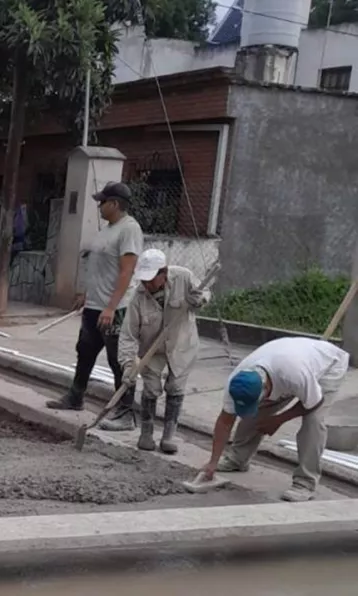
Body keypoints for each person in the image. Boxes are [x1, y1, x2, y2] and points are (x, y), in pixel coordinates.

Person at [200, 337, 349, 502]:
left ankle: (305, 482)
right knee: (254, 414)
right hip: (289, 365)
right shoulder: (236, 383)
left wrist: (278, 420)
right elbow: (225, 422)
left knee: (313, 422)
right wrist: (212, 462)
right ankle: (237, 459)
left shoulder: (293, 374)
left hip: (329, 367)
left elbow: (315, 403)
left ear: (265, 388)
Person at [47, 181, 144, 431]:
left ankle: (125, 413)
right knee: (85, 352)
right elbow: (99, 267)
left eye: (102, 202)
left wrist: (111, 307)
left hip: (115, 309)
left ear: (115, 204)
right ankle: (75, 396)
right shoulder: (106, 230)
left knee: (118, 360)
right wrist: (85, 294)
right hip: (93, 305)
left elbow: (126, 272)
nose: (99, 206)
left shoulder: (129, 230)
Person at [118, 249, 211, 455]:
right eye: (144, 280)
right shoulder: (138, 296)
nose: (147, 285)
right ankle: (147, 432)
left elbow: (204, 294)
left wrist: (200, 299)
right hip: (151, 349)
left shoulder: (183, 277)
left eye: (151, 280)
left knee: (175, 387)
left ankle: (169, 435)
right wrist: (127, 365)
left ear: (164, 273)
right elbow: (128, 334)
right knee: (150, 389)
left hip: (181, 344)